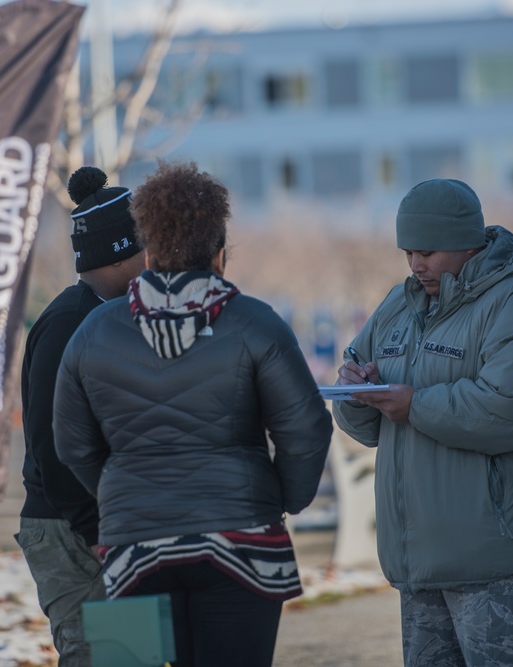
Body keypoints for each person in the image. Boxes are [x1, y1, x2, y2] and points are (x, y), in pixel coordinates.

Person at [53, 161, 333, 667]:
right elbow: (307, 428)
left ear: (149, 249)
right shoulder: (257, 324)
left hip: (129, 547)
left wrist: (119, 494)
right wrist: (281, 498)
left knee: (133, 666)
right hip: (242, 541)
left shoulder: (92, 332)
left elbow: (72, 443)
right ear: (220, 252)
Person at [333, 178, 513, 667]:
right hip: (421, 569)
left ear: (465, 242)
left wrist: (413, 405)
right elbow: (364, 424)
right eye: (408, 253)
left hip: (504, 571)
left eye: (427, 252)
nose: (415, 265)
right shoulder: (399, 306)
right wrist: (355, 392)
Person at [15, 166, 145, 667]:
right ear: (122, 252)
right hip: (74, 529)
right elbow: (53, 444)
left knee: (132, 657)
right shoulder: (70, 323)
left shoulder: (110, 313)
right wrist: (96, 533)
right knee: (102, 657)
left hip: (106, 524)